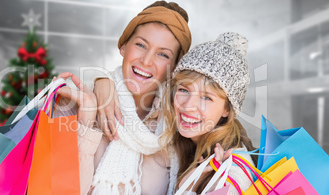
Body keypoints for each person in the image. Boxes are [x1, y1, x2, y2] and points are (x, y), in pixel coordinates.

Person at [57, 1, 191, 194]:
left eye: (162, 54)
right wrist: (86, 120)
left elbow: (232, 143)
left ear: (175, 68)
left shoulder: (180, 127)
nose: (146, 61)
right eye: (141, 45)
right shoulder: (75, 106)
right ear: (123, 46)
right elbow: (59, 188)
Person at [160, 32, 257, 194]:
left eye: (206, 97)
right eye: (184, 90)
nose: (188, 106)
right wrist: (102, 80)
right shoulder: (188, 141)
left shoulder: (234, 175)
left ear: (227, 109)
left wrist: (186, 189)